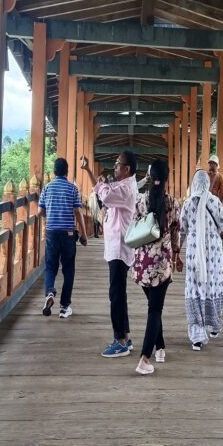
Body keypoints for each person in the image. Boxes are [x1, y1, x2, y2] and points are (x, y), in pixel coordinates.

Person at [81, 151, 138, 358]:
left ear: (127, 169)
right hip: (116, 246)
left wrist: (100, 182)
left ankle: (120, 341)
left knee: (116, 295)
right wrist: (88, 170)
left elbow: (105, 194)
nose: (114, 168)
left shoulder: (126, 188)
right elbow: (102, 192)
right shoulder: (122, 185)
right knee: (119, 294)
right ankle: (126, 336)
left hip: (120, 248)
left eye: (117, 164)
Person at [131, 159, 182, 375]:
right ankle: (144, 358)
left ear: (150, 177)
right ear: (168, 177)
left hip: (142, 264)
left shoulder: (141, 201)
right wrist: (178, 256)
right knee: (155, 309)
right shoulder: (173, 203)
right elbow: (177, 231)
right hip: (162, 265)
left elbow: (133, 225)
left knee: (154, 307)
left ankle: (160, 347)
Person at [180, 169, 223, 350]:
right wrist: (217, 235)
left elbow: (182, 230)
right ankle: (214, 326)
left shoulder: (187, 204)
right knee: (213, 287)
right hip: (214, 256)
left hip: (195, 255)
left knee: (195, 289)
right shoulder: (215, 202)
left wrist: (176, 252)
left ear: (194, 183)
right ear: (207, 184)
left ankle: (197, 337)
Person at [38, 158, 88, 319]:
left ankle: (50, 293)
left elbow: (40, 212)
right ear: (67, 171)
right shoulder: (72, 189)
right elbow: (78, 212)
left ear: (54, 172)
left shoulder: (47, 188)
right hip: (68, 234)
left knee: (51, 267)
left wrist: (51, 215)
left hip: (52, 232)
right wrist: (84, 234)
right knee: (68, 270)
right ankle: (64, 307)